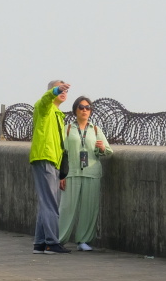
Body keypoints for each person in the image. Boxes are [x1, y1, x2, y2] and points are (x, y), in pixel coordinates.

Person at [58, 96, 113, 251]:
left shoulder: (95, 129)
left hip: (92, 172)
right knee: (66, 207)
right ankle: (59, 239)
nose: (84, 110)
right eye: (81, 107)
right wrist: (61, 175)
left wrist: (102, 148)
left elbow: (108, 151)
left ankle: (83, 240)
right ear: (75, 110)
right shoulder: (67, 129)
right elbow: (61, 152)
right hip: (71, 172)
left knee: (89, 208)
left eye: (87, 108)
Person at [30, 80, 71, 254]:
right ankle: (52, 243)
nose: (63, 92)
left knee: (46, 203)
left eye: (65, 90)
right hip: (45, 157)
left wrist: (61, 172)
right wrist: (55, 91)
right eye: (59, 90)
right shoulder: (44, 108)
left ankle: (40, 243)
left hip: (52, 160)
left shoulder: (58, 115)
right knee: (51, 203)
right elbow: (45, 100)